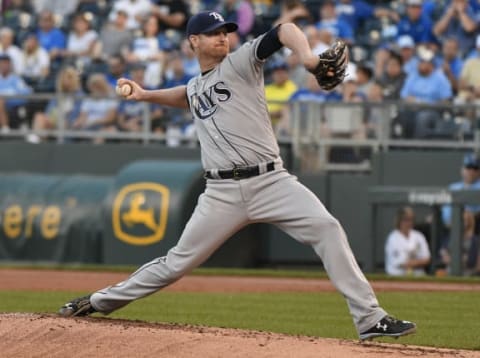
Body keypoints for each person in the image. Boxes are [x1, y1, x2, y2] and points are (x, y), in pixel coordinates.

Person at [58, 10, 416, 341]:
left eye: (225, 31)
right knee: (175, 264)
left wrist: (307, 58)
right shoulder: (197, 86)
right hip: (221, 193)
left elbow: (285, 30)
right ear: (193, 42)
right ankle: (98, 301)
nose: (222, 37)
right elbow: (186, 95)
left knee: (327, 228)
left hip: (271, 182)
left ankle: (369, 318)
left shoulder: (242, 62)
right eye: (212, 33)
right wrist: (146, 94)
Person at [385, 206, 431, 276]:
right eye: (405, 219)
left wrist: (413, 262)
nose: (409, 223)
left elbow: (427, 259)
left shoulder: (419, 236)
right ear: (399, 220)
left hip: (418, 277)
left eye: (411, 219)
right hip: (397, 277)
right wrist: (416, 261)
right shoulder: (393, 238)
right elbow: (399, 262)